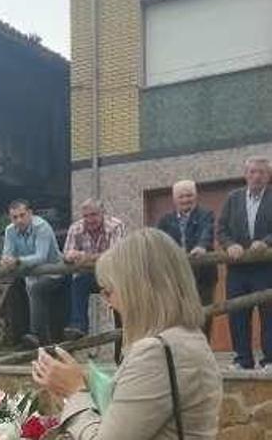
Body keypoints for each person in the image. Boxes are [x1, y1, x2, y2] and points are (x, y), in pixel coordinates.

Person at [32, 228, 222, 439]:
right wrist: (85, 378)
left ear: (138, 290)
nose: (108, 303)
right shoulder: (188, 338)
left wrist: (76, 392)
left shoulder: (155, 352)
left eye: (109, 291)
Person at [218, 156, 272, 370]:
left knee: (268, 313)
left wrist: (266, 242)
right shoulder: (233, 198)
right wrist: (230, 244)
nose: (257, 176)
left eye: (261, 172)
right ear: (245, 175)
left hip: (266, 268)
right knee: (237, 314)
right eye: (252, 172)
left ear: (268, 176)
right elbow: (221, 229)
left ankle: (270, 359)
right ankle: (243, 359)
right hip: (238, 269)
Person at [1, 199, 66, 347]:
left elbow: (41, 257)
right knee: (16, 292)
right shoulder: (10, 230)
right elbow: (6, 255)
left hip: (53, 273)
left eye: (22, 215)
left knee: (36, 290)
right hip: (29, 277)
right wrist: (6, 261)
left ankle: (35, 335)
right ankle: (39, 343)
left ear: (30, 214)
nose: (19, 220)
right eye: (14, 217)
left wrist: (16, 261)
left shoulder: (41, 226)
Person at [157, 180, 216, 336]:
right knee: (176, 317)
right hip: (175, 277)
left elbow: (207, 232)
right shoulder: (165, 220)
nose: (185, 200)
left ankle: (203, 353)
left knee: (203, 315)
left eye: (189, 195)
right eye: (181, 196)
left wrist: (201, 246)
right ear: (174, 199)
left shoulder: (206, 214)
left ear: (195, 196)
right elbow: (158, 242)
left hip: (203, 275)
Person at [62, 198, 126, 341]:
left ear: (103, 213)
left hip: (114, 276)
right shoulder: (75, 228)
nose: (90, 219)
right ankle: (78, 327)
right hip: (90, 276)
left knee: (119, 295)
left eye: (94, 215)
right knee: (78, 282)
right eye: (86, 216)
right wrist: (71, 256)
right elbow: (65, 255)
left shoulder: (116, 225)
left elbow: (115, 255)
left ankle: (125, 331)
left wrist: (85, 257)